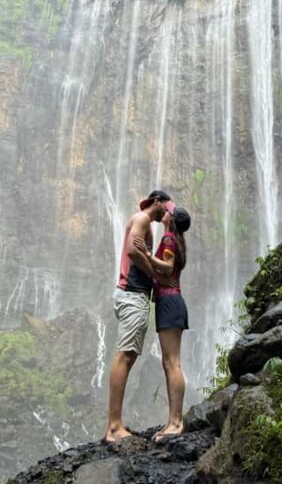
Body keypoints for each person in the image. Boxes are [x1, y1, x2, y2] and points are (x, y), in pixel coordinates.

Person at [104, 189, 175, 443]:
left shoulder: (145, 223)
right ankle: (113, 427)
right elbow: (133, 252)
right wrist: (155, 276)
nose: (169, 212)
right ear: (157, 202)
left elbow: (138, 252)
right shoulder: (143, 219)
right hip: (132, 293)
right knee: (125, 356)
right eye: (168, 207)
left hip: (131, 294)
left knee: (128, 355)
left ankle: (115, 424)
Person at [134, 205, 191, 441]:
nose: (166, 211)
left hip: (169, 302)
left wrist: (146, 254)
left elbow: (167, 267)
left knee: (172, 363)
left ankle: (176, 422)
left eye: (170, 211)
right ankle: (173, 421)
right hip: (171, 302)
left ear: (171, 220)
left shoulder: (168, 238)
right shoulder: (174, 240)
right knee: (170, 363)